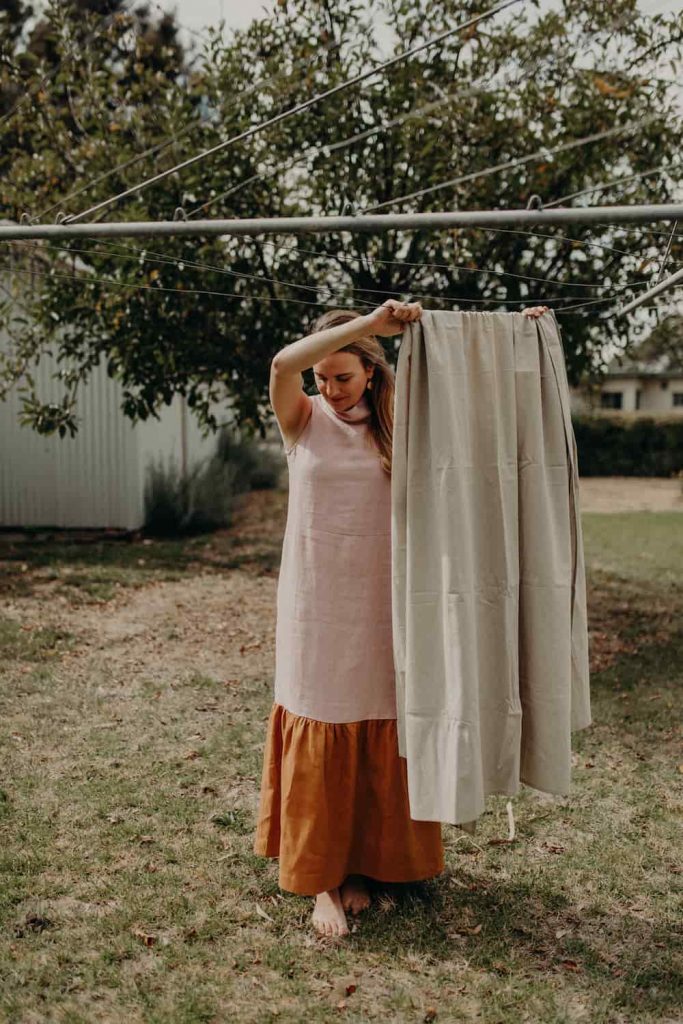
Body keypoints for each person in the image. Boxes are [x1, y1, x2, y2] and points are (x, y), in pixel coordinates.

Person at [253, 297, 550, 938]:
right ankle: (324, 882)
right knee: (326, 715)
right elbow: (282, 363)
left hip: (389, 601)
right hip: (317, 606)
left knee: (384, 716)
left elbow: (476, 402)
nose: (330, 390)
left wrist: (521, 341)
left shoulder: (403, 422)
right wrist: (365, 327)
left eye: (345, 377)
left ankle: (368, 865)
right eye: (324, 377)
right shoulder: (301, 420)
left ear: (372, 374)